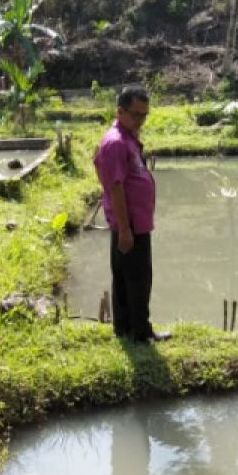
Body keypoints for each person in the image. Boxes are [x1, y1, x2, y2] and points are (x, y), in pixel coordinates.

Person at [93, 85, 170, 344]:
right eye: (135, 115)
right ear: (120, 111)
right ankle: (140, 332)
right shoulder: (115, 143)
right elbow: (114, 187)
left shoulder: (127, 138)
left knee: (127, 278)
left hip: (134, 223)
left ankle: (126, 328)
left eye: (144, 116)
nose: (140, 121)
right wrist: (125, 229)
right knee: (138, 279)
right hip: (131, 225)